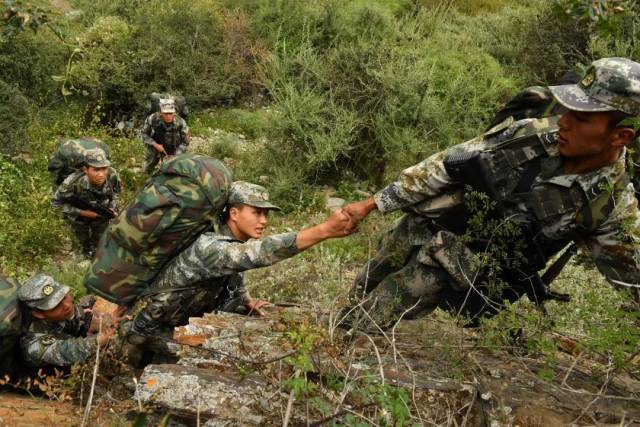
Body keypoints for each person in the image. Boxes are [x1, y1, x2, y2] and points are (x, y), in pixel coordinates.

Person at [342, 57, 640, 329]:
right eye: (568, 109)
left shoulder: (610, 207)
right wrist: (373, 204)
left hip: (461, 269)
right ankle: (339, 330)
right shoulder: (530, 134)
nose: (564, 121)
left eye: (583, 119)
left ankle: (341, 354)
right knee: (368, 281)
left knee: (377, 311)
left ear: (620, 136)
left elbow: (633, 285)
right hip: (431, 224)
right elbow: (444, 166)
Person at [120, 181, 354, 358]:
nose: (263, 220)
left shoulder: (230, 242)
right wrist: (324, 230)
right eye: (256, 212)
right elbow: (258, 254)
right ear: (234, 213)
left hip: (176, 322)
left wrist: (245, 300)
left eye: (266, 214)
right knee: (218, 353)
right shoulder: (210, 246)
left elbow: (234, 275)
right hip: (147, 332)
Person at [17, 274, 115, 368]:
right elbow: (66, 351)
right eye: (55, 305)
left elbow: (77, 315)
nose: (67, 305)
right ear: (39, 314)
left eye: (63, 297)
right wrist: (99, 340)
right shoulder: (33, 343)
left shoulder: (59, 313)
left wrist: (108, 320)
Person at [52, 148, 122, 258]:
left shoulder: (112, 175)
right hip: (78, 218)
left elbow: (116, 193)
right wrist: (81, 212)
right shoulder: (71, 183)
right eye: (96, 170)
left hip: (101, 214)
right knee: (80, 244)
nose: (101, 174)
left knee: (101, 243)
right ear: (86, 169)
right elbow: (56, 204)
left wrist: (113, 207)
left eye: (104, 169)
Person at [141, 98, 189, 173]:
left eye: (170, 113)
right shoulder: (153, 118)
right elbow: (144, 134)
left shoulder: (181, 122)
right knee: (147, 168)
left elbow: (185, 143)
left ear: (174, 113)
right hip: (157, 144)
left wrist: (176, 155)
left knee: (175, 169)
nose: (168, 116)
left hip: (175, 147)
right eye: (165, 113)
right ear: (160, 113)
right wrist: (155, 145)